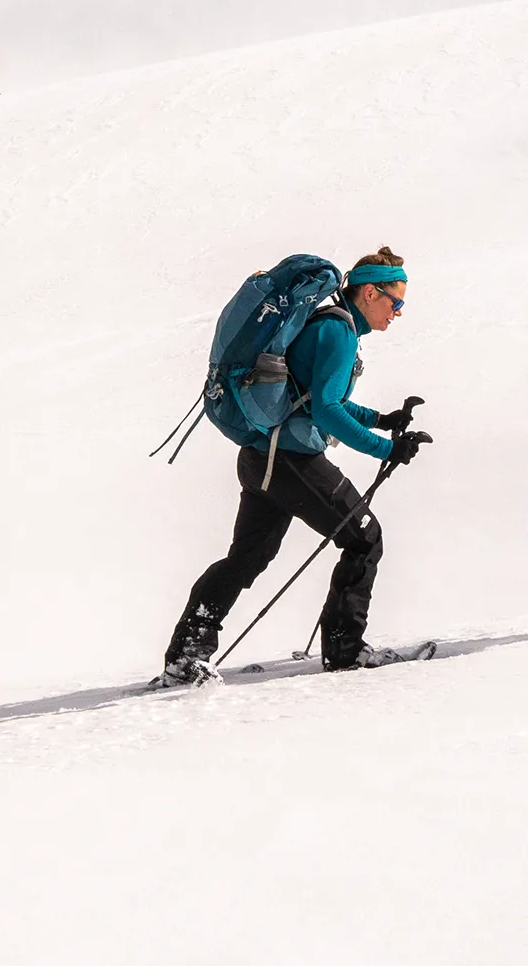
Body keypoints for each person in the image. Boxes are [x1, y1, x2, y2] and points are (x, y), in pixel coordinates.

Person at [162, 249, 430, 683]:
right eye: (395, 302)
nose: (397, 313)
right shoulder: (338, 332)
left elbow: (321, 399)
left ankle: (186, 653)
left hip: (262, 458)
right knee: (365, 539)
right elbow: (325, 411)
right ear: (368, 292)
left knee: (248, 558)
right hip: (291, 461)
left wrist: (382, 421)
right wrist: (386, 450)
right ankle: (345, 651)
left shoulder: (330, 325)